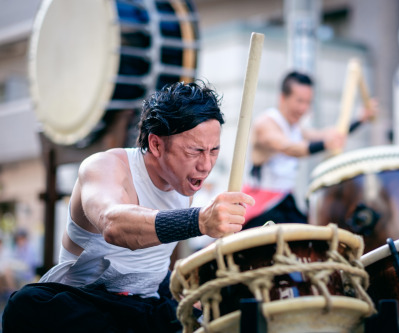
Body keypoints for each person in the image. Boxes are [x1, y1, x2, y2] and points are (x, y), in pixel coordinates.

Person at [2, 81, 255, 332]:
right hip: (88, 304)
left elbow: (145, 268)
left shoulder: (184, 185)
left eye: (214, 151)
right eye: (195, 151)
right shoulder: (105, 167)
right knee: (25, 305)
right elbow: (114, 225)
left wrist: (188, 292)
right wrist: (199, 221)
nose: (206, 164)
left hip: (145, 308)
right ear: (156, 144)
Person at [242, 71, 377, 229]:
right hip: (260, 207)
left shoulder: (296, 128)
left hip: (285, 201)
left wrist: (359, 120)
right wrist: (326, 144)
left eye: (308, 102)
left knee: (316, 234)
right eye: (299, 101)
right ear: (282, 98)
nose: (303, 108)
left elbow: (330, 134)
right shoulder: (265, 124)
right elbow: (290, 148)